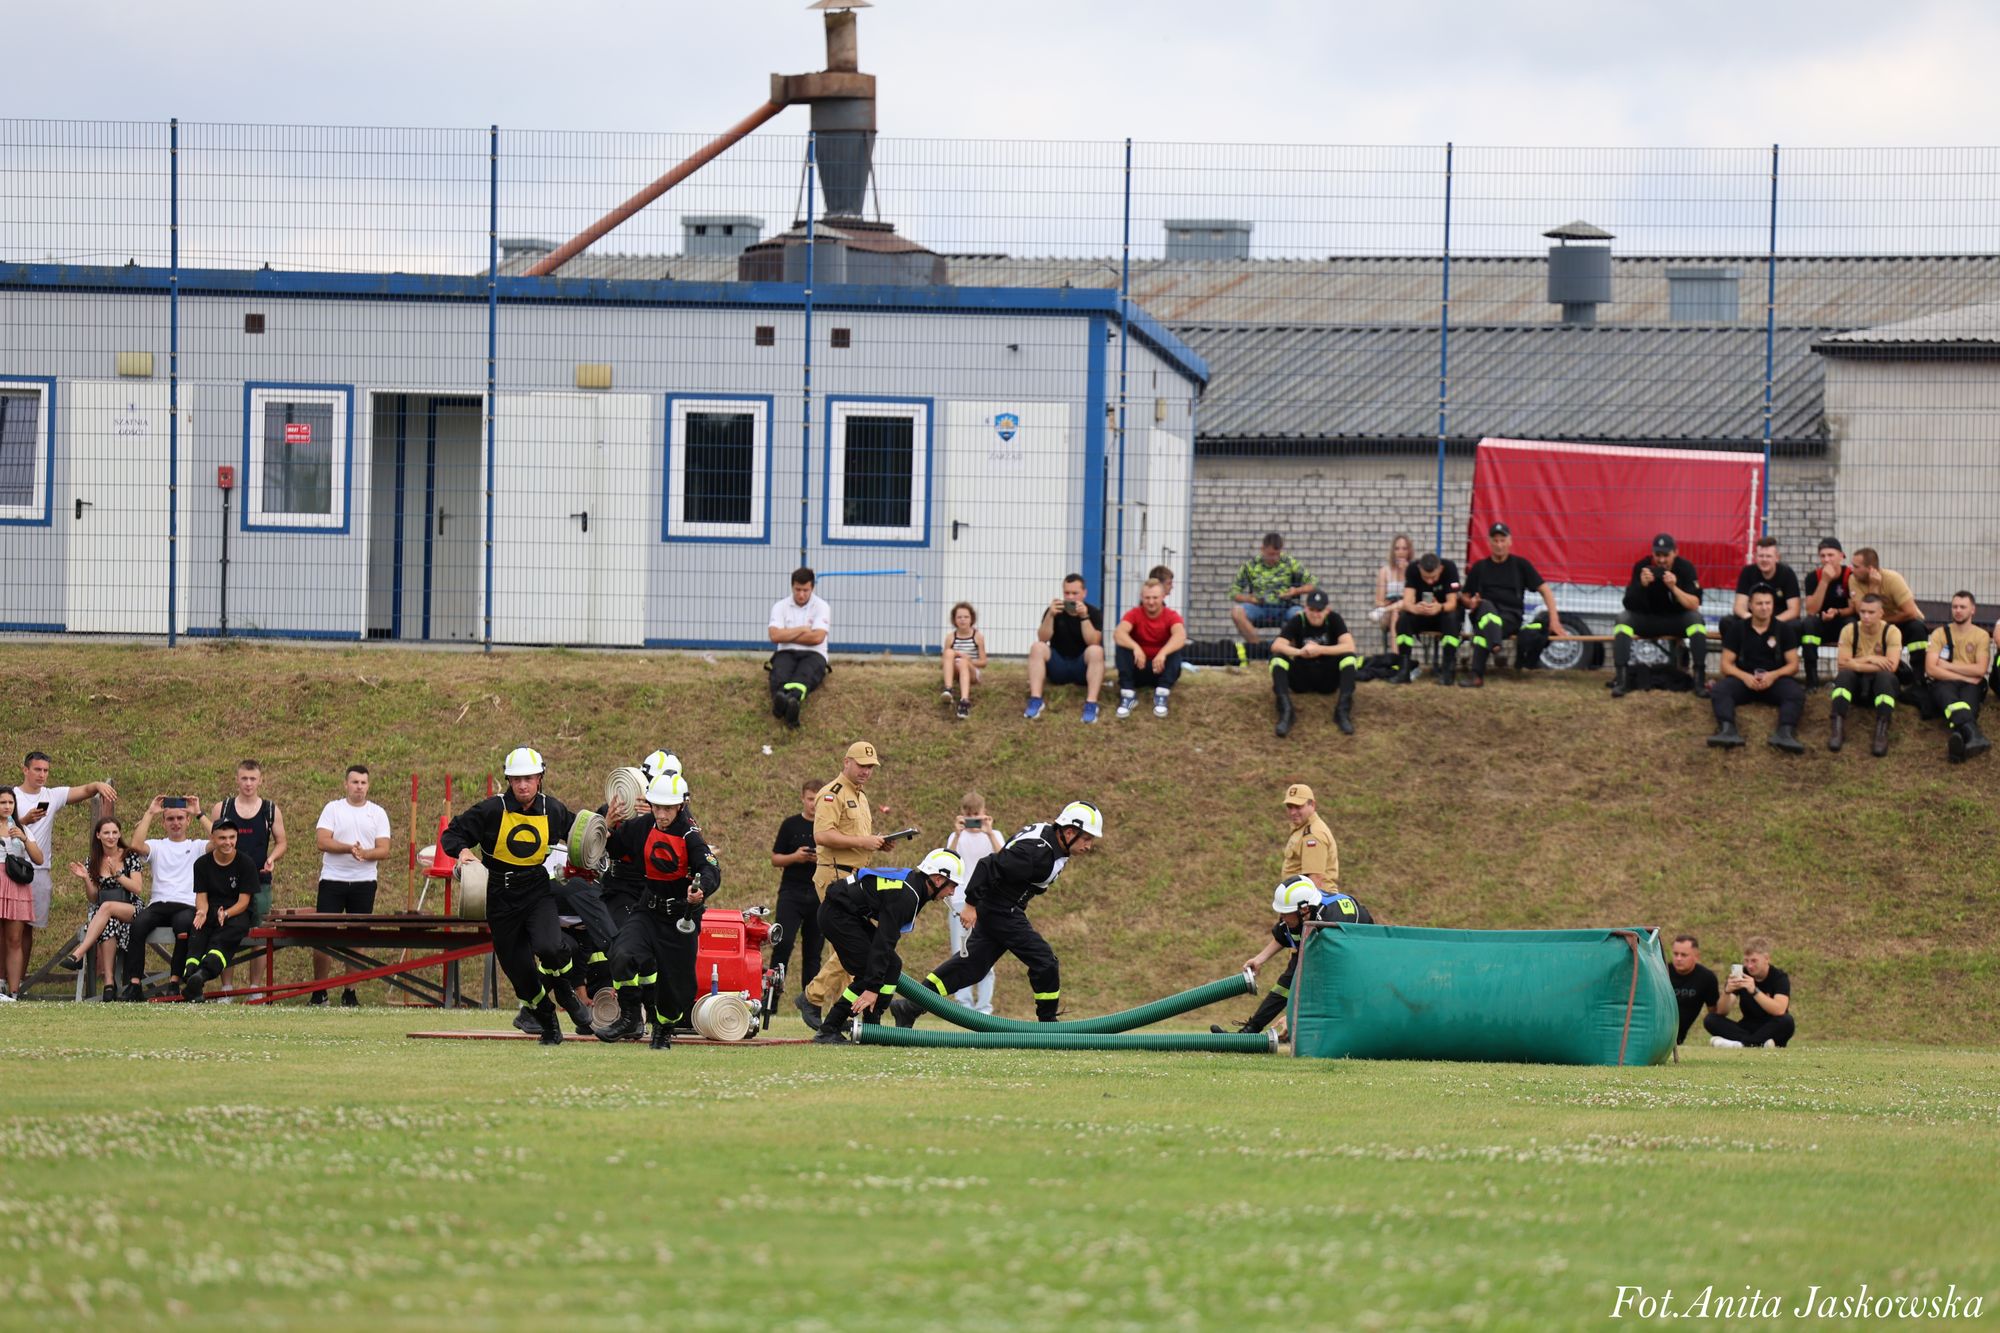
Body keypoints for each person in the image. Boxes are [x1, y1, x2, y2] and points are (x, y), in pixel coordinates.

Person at [896, 801, 1103, 1026]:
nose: (1089, 846)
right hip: (1001, 909)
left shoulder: (1052, 841)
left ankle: (909, 1007)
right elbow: (989, 865)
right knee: (1045, 962)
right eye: (1087, 839)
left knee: (970, 968)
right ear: (1069, 832)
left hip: (1000, 906)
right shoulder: (1036, 853)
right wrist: (971, 904)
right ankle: (1048, 1024)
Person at [440, 747, 592, 1043]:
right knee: (521, 974)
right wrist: (463, 853)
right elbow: (452, 834)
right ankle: (547, 1020)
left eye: (529, 778)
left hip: (536, 891)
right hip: (499, 896)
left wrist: (605, 830)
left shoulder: (553, 809)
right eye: (517, 779)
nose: (523, 785)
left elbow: (583, 834)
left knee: (550, 947)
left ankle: (566, 992)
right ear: (508, 780)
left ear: (540, 778)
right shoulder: (490, 810)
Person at [594, 773, 720, 1050]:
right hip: (647, 910)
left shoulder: (690, 835)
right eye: (656, 807)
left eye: (668, 808)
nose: (661, 814)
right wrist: (606, 825)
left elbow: (710, 869)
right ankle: (628, 1016)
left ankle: (663, 1027)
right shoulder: (643, 825)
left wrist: (700, 891)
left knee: (675, 990)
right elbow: (615, 847)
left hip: (680, 918)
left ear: (682, 805)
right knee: (621, 953)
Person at [810, 849, 963, 1044]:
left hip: (846, 913)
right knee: (869, 973)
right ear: (939, 879)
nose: (953, 892)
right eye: (953, 886)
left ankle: (872, 1028)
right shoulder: (907, 896)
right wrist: (873, 988)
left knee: (892, 965)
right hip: (837, 915)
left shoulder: (915, 887)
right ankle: (829, 1028)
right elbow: (884, 942)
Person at [797, 741, 891, 1031]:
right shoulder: (831, 794)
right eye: (862, 765)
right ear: (846, 762)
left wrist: (877, 843)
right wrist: (864, 842)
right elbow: (822, 836)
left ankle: (843, 1007)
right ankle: (813, 996)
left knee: (850, 946)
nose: (866, 771)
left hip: (854, 877)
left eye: (870, 767)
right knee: (853, 945)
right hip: (835, 877)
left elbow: (854, 837)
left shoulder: (860, 797)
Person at [13, 752, 117, 1001]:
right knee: (8, 929)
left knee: (27, 930)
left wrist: (98, 785)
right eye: (37, 769)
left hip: (38, 870)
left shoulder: (51, 795)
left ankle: (17, 983)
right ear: (25, 770)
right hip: (10, 867)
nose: (41, 775)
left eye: (46, 770)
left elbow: (82, 791)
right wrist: (23, 820)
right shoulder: (12, 796)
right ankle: (5, 981)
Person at [1212, 877, 1372, 1036]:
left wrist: (1292, 1018)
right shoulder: (1297, 915)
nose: (1282, 917)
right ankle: (1248, 1032)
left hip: (1358, 950)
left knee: (1320, 987)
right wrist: (1259, 959)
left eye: (1286, 913)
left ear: (1304, 910)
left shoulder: (1328, 924)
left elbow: (1322, 981)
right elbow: (1283, 935)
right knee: (1284, 986)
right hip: (1325, 945)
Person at [310, 766, 393, 1007]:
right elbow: (322, 841)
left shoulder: (377, 813)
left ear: (368, 785)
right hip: (332, 880)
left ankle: (350, 991)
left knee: (357, 937)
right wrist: (349, 848)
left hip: (364, 882)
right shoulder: (333, 809)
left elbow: (384, 849)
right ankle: (320, 991)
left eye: (363, 782)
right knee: (323, 936)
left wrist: (365, 853)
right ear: (346, 784)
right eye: (355, 782)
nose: (359, 787)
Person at [207, 759, 287, 999]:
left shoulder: (270, 810)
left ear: (260, 780)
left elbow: (282, 841)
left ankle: (255, 990)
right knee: (224, 932)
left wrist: (272, 857)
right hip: (226, 881)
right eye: (244, 778)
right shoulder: (223, 808)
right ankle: (227, 989)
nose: (248, 783)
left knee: (260, 933)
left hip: (259, 882)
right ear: (237, 779)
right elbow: (213, 842)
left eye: (253, 779)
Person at [119, 795, 210, 1000]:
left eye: (180, 818)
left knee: (183, 925)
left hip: (185, 904)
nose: (175, 823)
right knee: (138, 925)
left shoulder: (196, 846)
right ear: (163, 823)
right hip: (159, 903)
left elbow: (219, 840)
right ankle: (134, 985)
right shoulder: (157, 845)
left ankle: (174, 982)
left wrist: (199, 814)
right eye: (170, 819)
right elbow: (135, 844)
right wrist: (150, 813)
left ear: (187, 821)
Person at [1459, 523, 1563, 687]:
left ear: (1510, 542)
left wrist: (1554, 620)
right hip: (1483, 613)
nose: (1499, 545)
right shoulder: (1480, 567)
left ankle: (1477, 675)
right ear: (1489, 543)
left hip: (1509, 618)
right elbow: (1464, 597)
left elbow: (1546, 591)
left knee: (1483, 627)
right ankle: (1495, 644)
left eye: (1502, 540)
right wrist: (1470, 602)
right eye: (1496, 541)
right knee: (1485, 607)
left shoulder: (1521, 565)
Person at [1706, 585, 1805, 753]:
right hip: (1744, 680)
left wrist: (1773, 675)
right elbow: (1725, 665)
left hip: (1775, 681)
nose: (1764, 607)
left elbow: (1793, 665)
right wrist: (1744, 677)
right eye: (1759, 603)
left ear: (1773, 605)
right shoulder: (1737, 629)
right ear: (1750, 605)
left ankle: (1785, 733)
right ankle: (1727, 730)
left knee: (1795, 693)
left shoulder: (1784, 630)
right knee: (1720, 690)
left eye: (1768, 603)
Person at [1612, 533, 1710, 699]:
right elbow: (1628, 604)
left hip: (1676, 621)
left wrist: (1674, 588)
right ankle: (1622, 681)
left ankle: (1699, 682)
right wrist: (1641, 585)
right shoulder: (1642, 567)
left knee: (1696, 621)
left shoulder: (1685, 568)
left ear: (1675, 553)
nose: (1661, 560)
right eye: (1658, 555)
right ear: (1652, 553)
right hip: (1648, 620)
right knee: (1623, 620)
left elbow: (1694, 604)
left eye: (1666, 555)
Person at [57, 816, 145, 1000]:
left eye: (114, 832)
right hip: (105, 913)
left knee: (106, 908)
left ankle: (79, 953)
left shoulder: (130, 856)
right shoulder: (94, 860)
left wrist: (117, 875)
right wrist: (86, 879)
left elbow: (137, 888)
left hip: (131, 908)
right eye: (106, 833)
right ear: (98, 835)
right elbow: (93, 896)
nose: (111, 836)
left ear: (120, 834)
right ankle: (109, 985)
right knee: (109, 921)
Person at [765, 779, 823, 1025]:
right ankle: (770, 1001)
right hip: (792, 893)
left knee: (813, 953)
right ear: (803, 798)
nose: (813, 804)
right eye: (810, 798)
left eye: (818, 799)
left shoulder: (827, 827)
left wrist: (818, 858)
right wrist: (796, 857)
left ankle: (810, 1005)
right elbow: (775, 859)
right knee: (782, 945)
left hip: (819, 893)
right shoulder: (790, 824)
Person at [179, 823, 255, 1003]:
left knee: (221, 941)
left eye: (232, 837)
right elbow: (202, 897)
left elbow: (244, 902)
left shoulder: (246, 863)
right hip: (210, 910)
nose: (228, 842)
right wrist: (202, 912)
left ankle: (201, 976)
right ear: (213, 838)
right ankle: (192, 977)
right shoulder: (202, 864)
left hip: (236, 913)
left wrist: (227, 914)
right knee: (197, 934)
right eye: (222, 838)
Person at [1270, 590, 1361, 738]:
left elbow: (1350, 646)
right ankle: (1286, 710)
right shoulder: (1298, 620)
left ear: (1327, 610)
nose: (1315, 614)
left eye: (1320, 610)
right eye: (1311, 609)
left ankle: (1342, 711)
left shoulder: (1334, 619)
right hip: (1302, 677)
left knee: (1349, 658)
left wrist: (1320, 649)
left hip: (1327, 679)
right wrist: (1300, 652)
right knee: (1277, 658)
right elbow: (1276, 645)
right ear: (1305, 608)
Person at [1847, 548, 1930, 708]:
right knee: (1862, 628)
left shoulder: (1892, 579)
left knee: (1917, 628)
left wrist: (1884, 623)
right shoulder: (1853, 580)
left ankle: (1919, 682)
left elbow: (1911, 612)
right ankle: (1867, 679)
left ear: (1871, 568)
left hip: (1901, 622)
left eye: (1856, 566)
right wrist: (1874, 588)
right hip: (1874, 624)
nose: (1852, 569)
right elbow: (1862, 613)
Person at [944, 791, 1003, 1014]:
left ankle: (984, 1007)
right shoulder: (955, 836)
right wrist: (958, 834)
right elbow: (948, 859)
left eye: (976, 816)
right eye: (968, 816)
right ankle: (964, 1005)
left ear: (984, 813)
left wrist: (989, 833)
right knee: (960, 953)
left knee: (987, 953)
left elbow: (1005, 858)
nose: (973, 821)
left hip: (987, 902)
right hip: (959, 901)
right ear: (961, 815)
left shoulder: (993, 834)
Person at [1025, 574, 1106, 723]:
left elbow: (1094, 641)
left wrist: (1084, 617)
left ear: (1084, 593)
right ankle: (1036, 699)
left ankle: (1091, 703)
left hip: (1082, 668)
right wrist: (1050, 616)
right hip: (1058, 666)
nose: (1070, 598)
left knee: (1096, 650)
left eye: (1075, 593)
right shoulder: (1054, 611)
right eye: (1067, 593)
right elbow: (1043, 638)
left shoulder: (1093, 612)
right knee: (1037, 647)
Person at [1828, 594, 1902, 756]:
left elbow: (1891, 666)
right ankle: (1837, 727)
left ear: (1881, 613)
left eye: (1871, 612)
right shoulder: (1849, 630)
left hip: (1881, 688)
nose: (1866, 616)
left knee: (1884, 677)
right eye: (1862, 612)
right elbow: (1842, 664)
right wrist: (1871, 659)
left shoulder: (1892, 632)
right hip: (1857, 687)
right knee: (1844, 676)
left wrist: (1856, 664)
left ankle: (1881, 731)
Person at [1925, 591, 1992, 763]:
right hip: (1945, 682)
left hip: (1972, 684)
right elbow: (1931, 669)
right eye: (1955, 607)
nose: (1958, 610)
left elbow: (1980, 669)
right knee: (1951, 700)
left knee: (1967, 707)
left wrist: (1947, 665)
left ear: (1973, 610)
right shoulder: (1940, 633)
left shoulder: (1981, 635)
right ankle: (1975, 737)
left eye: (1963, 607)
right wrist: (1966, 675)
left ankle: (1959, 744)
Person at [767, 566, 832, 729]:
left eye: (805, 590)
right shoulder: (780, 606)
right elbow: (774, 636)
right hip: (786, 652)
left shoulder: (822, 607)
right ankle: (783, 701)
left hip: (814, 654)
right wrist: (802, 629)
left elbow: (817, 638)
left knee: (805, 675)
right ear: (792, 586)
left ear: (812, 588)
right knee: (780, 673)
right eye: (797, 589)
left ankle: (792, 701)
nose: (801, 594)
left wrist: (787, 634)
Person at [1113, 578, 1188, 719]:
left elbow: (1180, 635)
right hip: (1138, 668)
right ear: (1142, 597)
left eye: (1155, 597)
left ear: (1163, 597)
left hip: (1161, 669)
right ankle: (1128, 695)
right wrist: (1135, 647)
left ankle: (1162, 695)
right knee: (1122, 646)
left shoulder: (1171, 616)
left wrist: (1163, 653)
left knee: (1176, 648)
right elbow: (1119, 633)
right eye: (1147, 598)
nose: (1151, 602)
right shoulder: (1134, 614)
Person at [1229, 532, 1315, 650]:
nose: (1274, 558)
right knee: (1237, 612)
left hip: (1286, 607)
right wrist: (1249, 599)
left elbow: (1313, 584)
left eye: (1277, 554)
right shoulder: (1251, 566)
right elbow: (1233, 592)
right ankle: (1258, 650)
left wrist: (1295, 591)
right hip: (1260, 607)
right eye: (1270, 554)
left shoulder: (1289, 562)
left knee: (1301, 616)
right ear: (1262, 549)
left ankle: (1285, 652)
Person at [1704, 937, 1794, 1048]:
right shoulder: (1741, 975)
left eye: (1754, 961)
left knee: (1787, 1021)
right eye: (1746, 961)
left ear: (1766, 959)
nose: (1749, 966)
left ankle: (1742, 1043)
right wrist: (1727, 991)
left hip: (1771, 1027)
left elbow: (1779, 1010)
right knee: (1711, 1019)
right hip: (1748, 1027)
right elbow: (1721, 1011)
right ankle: (1757, 1042)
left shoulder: (1779, 977)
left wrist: (1754, 991)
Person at [0, 789, 46, 1000]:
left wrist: (24, 839)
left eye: (10, 802)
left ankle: (14, 991)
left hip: (15, 884)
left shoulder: (21, 828)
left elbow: (38, 858)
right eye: (2, 802)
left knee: (14, 939)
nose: (7, 806)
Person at [1393, 552, 1463, 686]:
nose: (1430, 581)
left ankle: (1448, 671)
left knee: (1452, 617)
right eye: (1426, 578)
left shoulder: (1450, 568)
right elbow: (1406, 602)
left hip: (1443, 615)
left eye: (1434, 577)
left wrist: (1439, 607)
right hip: (1422, 615)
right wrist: (1416, 608)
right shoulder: (1413, 569)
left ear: (1440, 569)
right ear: (1419, 568)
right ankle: (1404, 670)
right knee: (1403, 619)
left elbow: (1452, 603)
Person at [1798, 538, 1854, 692]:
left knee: (1852, 624)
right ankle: (1812, 681)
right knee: (1809, 624)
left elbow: (1854, 608)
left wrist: (1837, 612)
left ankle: (1844, 679)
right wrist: (1824, 581)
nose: (1826, 559)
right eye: (1822, 556)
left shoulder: (1850, 575)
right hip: (1822, 624)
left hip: (1843, 622)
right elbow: (1811, 609)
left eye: (1830, 555)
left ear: (1841, 556)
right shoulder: (1813, 577)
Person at [1665, 933, 1723, 1046]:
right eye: (1675, 954)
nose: (1678, 958)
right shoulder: (1662, 971)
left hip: (1677, 1037)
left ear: (1697, 956)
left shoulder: (1707, 978)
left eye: (1683, 955)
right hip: (1653, 1027)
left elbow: (1715, 1013)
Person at [1279, 784, 1339, 891]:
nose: (1293, 812)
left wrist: (1308, 907)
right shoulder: (1303, 828)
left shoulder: (1313, 835)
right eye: (1289, 807)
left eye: (1298, 807)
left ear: (1312, 805)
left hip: (1314, 902)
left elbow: (1315, 879)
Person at [939, 601, 988, 721]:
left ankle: (964, 702)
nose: (962, 620)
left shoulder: (978, 636)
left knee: (963, 662)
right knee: (949, 653)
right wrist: (954, 657)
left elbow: (984, 662)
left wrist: (969, 660)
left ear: (972, 619)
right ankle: (948, 689)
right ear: (954, 620)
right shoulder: (950, 637)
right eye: (959, 617)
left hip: (971, 672)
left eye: (966, 617)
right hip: (956, 670)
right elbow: (944, 662)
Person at [1371, 533, 1414, 650]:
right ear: (1393, 551)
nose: (1400, 552)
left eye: (1404, 548)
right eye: (1397, 548)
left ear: (1409, 551)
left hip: (1407, 610)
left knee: (1399, 612)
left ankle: (1397, 658)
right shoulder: (1385, 571)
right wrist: (1388, 604)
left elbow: (1413, 598)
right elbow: (1378, 601)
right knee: (1395, 613)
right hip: (1388, 612)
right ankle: (1397, 658)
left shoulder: (1413, 570)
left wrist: (1406, 571)